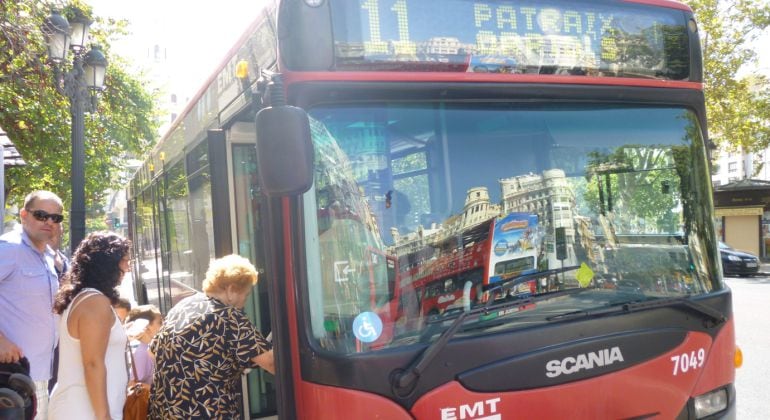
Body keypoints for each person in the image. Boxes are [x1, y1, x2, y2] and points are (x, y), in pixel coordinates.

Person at [148, 254, 274, 419]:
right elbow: (272, 363)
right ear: (231, 289)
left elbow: (152, 353)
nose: (245, 301)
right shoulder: (228, 317)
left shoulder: (182, 307)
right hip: (207, 412)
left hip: (165, 412)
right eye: (246, 294)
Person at [48, 232, 132, 420]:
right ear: (107, 264)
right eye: (124, 261)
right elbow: (93, 364)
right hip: (84, 411)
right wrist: (103, 416)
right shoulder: (95, 302)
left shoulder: (86, 298)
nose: (128, 267)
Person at [0, 190, 64, 419]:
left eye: (55, 218)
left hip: (38, 375)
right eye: (41, 215)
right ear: (24, 215)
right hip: (10, 376)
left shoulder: (47, 255)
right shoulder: (10, 248)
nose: (49, 222)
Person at [125, 305, 162, 386]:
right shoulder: (142, 353)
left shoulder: (149, 348)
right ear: (147, 328)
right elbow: (133, 384)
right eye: (160, 322)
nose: (164, 325)